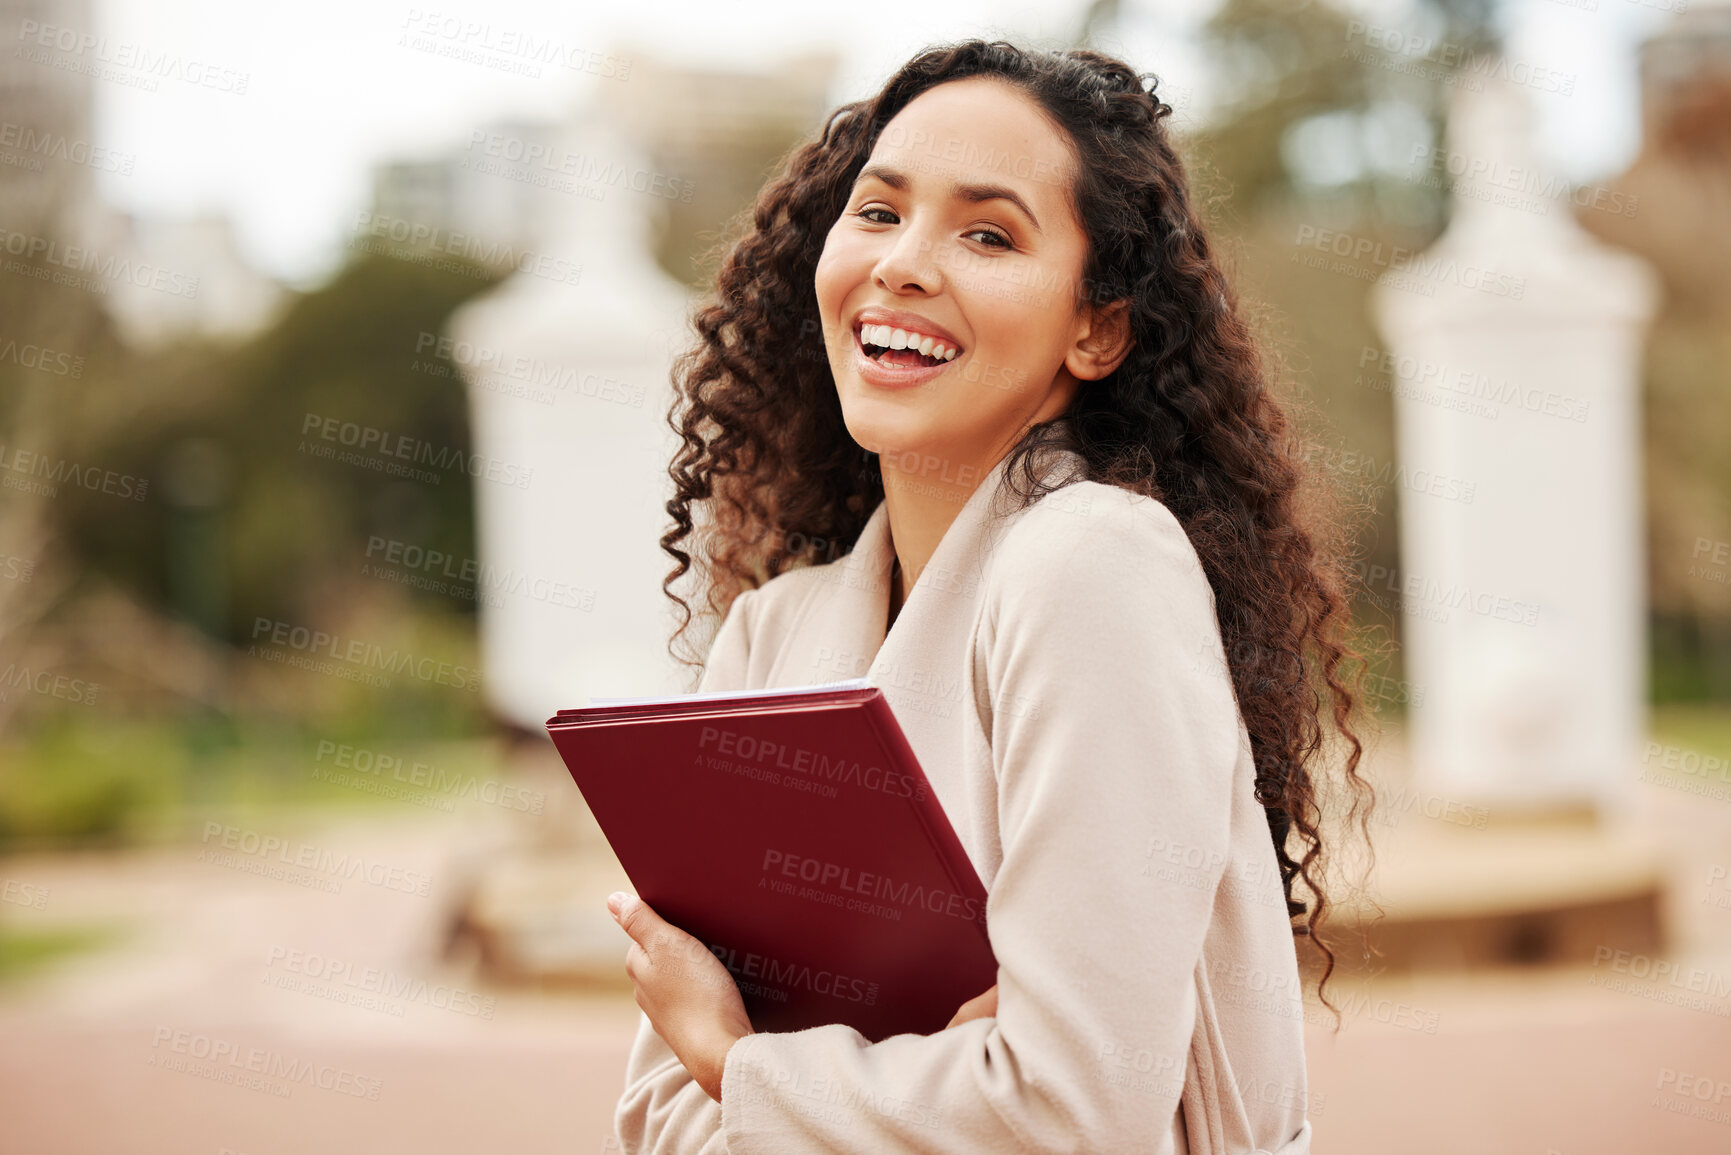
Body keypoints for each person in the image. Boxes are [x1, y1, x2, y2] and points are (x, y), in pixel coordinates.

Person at [605, 38, 1373, 1154]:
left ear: (1097, 327)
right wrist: (936, 1084)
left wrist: (741, 1061)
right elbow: (653, 1118)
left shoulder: (1095, 562)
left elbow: (1069, 1110)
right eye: (878, 212)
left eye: (987, 233)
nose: (905, 264)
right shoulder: (774, 633)